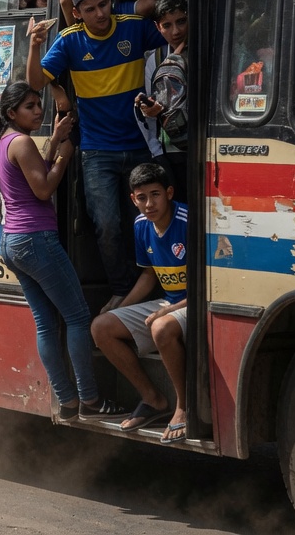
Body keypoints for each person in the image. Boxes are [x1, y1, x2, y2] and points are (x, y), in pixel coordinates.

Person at [0, 82, 126, 421]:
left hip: (13, 242)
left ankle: (67, 402)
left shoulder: (6, 141)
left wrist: (55, 139)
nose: (39, 110)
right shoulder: (22, 142)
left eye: (38, 104)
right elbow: (43, 188)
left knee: (46, 324)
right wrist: (64, 157)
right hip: (36, 240)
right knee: (76, 317)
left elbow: (33, 173)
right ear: (12, 113)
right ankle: (89, 398)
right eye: (30, 106)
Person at [27, 0, 168, 314]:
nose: (99, 14)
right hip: (97, 151)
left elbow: (173, 41)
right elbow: (34, 81)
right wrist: (34, 44)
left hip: (140, 145)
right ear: (77, 13)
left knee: (153, 219)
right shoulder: (70, 40)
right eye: (89, 9)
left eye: (103, 4)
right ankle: (122, 290)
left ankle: (163, 287)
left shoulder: (134, 26)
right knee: (107, 225)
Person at [90, 163, 189, 443]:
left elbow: (207, 282)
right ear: (133, 199)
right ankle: (153, 398)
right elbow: (148, 275)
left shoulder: (187, 220)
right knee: (101, 327)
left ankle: (182, 406)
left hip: (192, 302)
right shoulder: (141, 225)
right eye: (141, 197)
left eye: (155, 194)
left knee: (160, 328)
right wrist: (120, 307)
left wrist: (168, 310)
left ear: (169, 193)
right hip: (168, 301)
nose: (149, 203)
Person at [135, 0, 189, 199]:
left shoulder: (209, 51)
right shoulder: (154, 60)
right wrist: (150, 110)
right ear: (158, 27)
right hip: (171, 148)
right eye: (167, 25)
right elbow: (148, 113)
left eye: (181, 21)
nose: (176, 31)